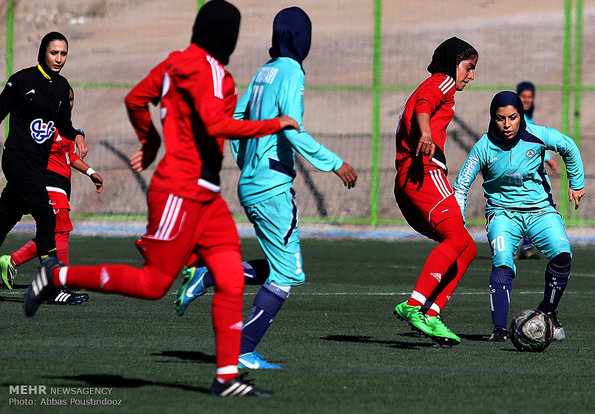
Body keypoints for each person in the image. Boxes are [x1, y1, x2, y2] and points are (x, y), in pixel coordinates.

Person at [23, 0, 301, 398]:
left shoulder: (176, 61)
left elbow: (136, 98)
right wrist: (276, 124)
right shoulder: (208, 68)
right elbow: (214, 123)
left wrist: (150, 139)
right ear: (226, 35)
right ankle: (56, 275)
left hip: (207, 196)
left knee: (227, 278)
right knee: (153, 283)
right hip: (181, 191)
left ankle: (226, 378)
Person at [174, 6, 358, 370]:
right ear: (303, 38)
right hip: (273, 185)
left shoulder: (264, 71)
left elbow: (237, 119)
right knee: (288, 274)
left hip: (253, 182)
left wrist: (247, 164)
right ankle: (242, 348)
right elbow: (292, 129)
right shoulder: (290, 72)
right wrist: (336, 164)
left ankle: (209, 274)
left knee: (279, 266)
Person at [453, 91, 585, 342]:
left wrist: (576, 182)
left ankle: (548, 313)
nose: (506, 124)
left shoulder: (538, 135)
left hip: (540, 211)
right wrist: (459, 222)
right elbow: (461, 186)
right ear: (493, 119)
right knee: (502, 260)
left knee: (562, 254)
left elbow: (568, 146)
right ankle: (500, 330)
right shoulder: (483, 147)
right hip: (502, 214)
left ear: (520, 116)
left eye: (512, 117)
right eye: (500, 118)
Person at [392, 37, 479, 346]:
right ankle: (415, 306)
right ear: (452, 63)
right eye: (468, 68)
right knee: (457, 239)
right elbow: (423, 107)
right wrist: (426, 133)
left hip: (408, 179)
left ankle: (431, 313)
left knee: (467, 247)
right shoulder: (441, 81)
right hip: (425, 173)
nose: (471, 76)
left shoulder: (437, 86)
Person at [1, 88, 101, 306]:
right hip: (47, 183)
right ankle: (57, 283)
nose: (68, 102)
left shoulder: (64, 126)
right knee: (59, 231)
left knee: (52, 232)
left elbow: (71, 156)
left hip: (53, 185)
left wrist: (91, 172)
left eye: (70, 99)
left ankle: (14, 262)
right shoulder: (44, 121)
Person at [0, 32, 87, 272]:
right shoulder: (22, 80)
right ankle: (52, 285)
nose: (59, 58)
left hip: (38, 164)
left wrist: (78, 134)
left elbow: (64, 126)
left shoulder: (62, 87)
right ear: (43, 52)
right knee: (48, 217)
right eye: (54, 53)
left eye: (63, 54)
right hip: (17, 158)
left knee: (6, 215)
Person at [515, 81, 558, 259]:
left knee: (527, 204)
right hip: (517, 167)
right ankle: (515, 247)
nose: (526, 100)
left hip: (528, 166)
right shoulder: (514, 115)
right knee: (519, 205)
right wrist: (547, 158)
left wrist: (546, 159)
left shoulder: (527, 116)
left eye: (529, 97)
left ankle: (525, 246)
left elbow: (533, 139)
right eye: (523, 96)